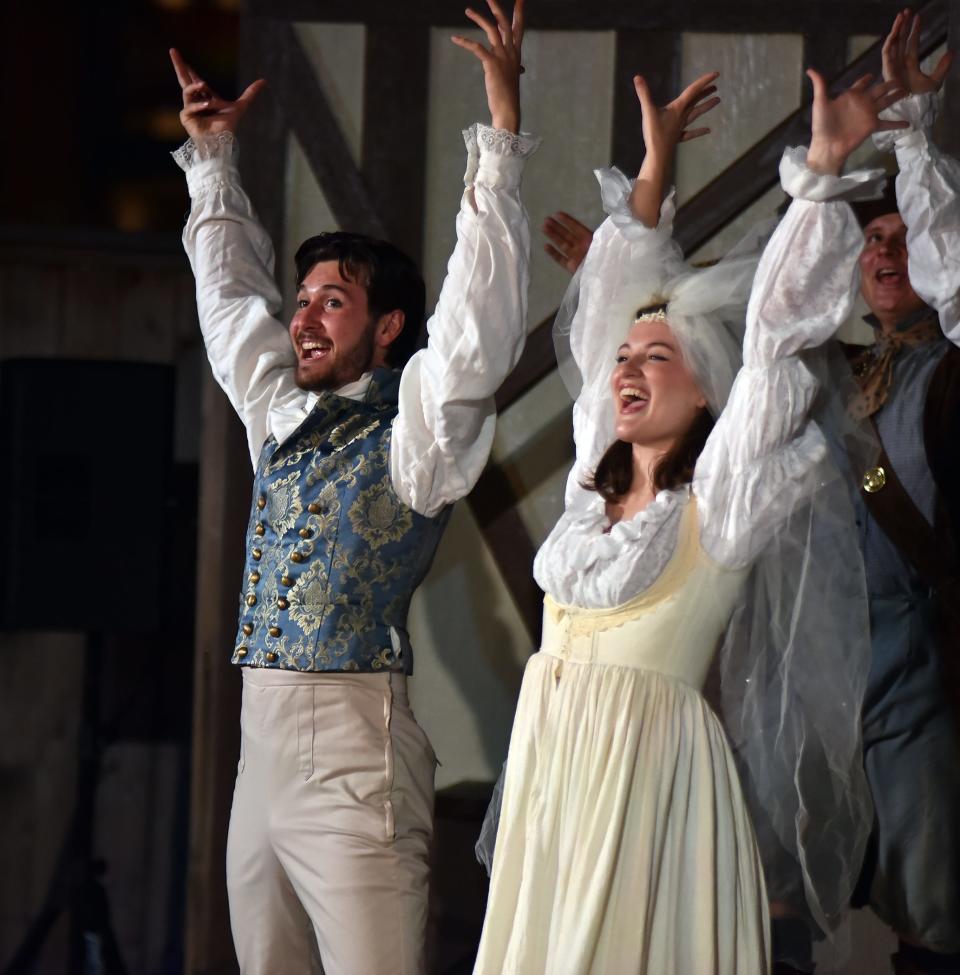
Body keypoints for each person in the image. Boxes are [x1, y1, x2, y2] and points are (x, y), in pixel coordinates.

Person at [473, 65, 904, 974]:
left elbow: (779, 339)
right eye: (624, 356)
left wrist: (822, 170)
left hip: (648, 778)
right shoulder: (591, 497)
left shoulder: (724, 501)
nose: (627, 367)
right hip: (553, 779)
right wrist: (655, 168)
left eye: (657, 356)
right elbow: (609, 308)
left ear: (707, 386)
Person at [168, 3, 538, 972]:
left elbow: (471, 334)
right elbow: (230, 308)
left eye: (332, 301)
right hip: (261, 764)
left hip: (352, 762)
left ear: (385, 328)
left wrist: (497, 143)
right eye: (302, 302)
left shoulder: (413, 437)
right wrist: (211, 165)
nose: (302, 320)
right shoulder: (280, 422)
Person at [772, 11, 960, 975]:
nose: (883, 254)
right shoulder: (835, 371)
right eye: (870, 239)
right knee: (781, 891)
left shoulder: (953, 368)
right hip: (828, 660)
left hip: (927, 664)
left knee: (934, 910)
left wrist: (915, 133)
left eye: (900, 237)